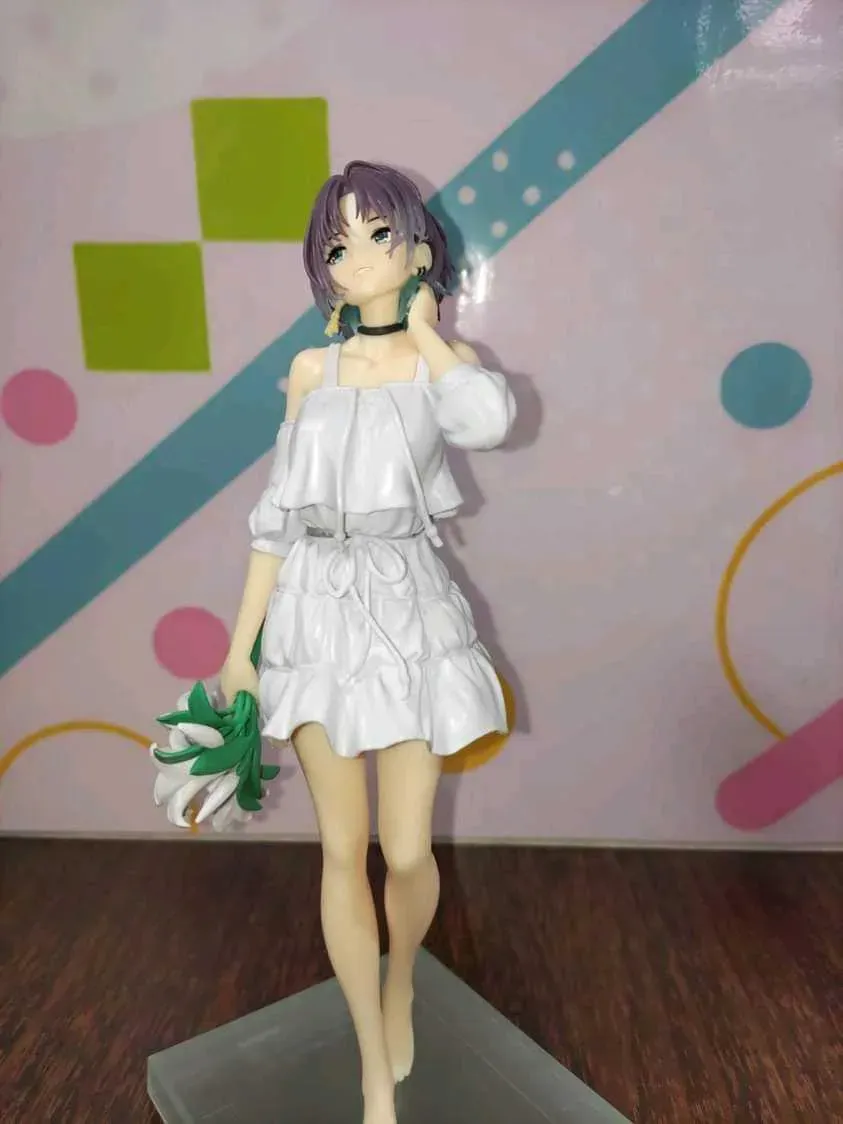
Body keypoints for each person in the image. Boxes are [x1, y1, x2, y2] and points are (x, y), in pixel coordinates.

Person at [220, 160, 516, 1124]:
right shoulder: (313, 371)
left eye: (377, 235)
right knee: (341, 851)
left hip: (407, 606)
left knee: (409, 850)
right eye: (336, 244)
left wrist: (426, 330)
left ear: (418, 250)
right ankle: (370, 1067)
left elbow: (489, 421)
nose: (353, 258)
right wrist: (240, 649)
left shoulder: (438, 367)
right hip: (315, 610)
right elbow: (275, 519)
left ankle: (401, 984)